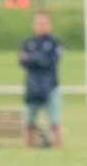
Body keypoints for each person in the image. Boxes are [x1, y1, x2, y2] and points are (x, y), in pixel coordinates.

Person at [19, 11, 63, 148]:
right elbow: (22, 61)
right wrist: (39, 58)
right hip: (32, 87)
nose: (41, 25)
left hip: (50, 86)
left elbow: (50, 60)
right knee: (29, 121)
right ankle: (29, 147)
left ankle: (56, 146)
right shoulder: (28, 43)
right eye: (38, 22)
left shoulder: (54, 43)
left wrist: (33, 58)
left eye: (44, 22)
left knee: (54, 121)